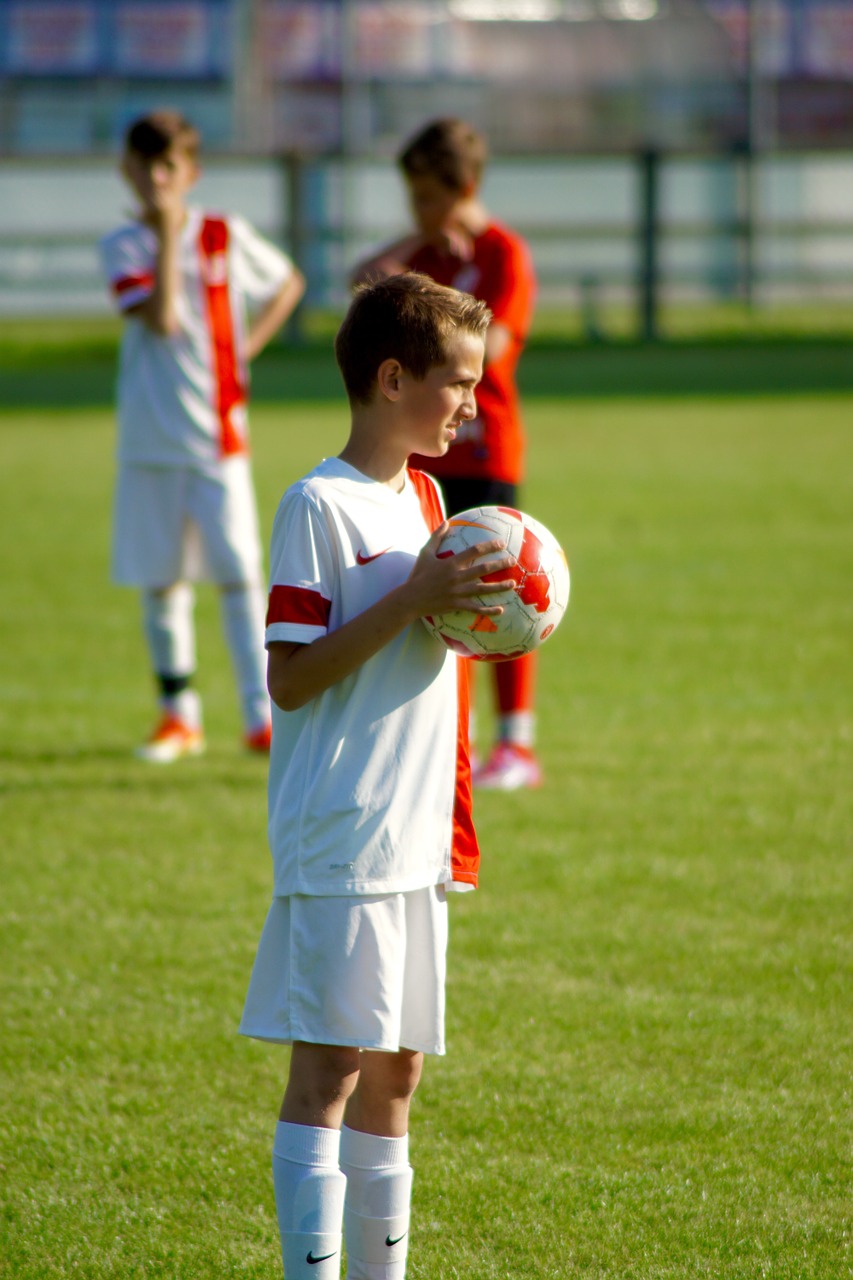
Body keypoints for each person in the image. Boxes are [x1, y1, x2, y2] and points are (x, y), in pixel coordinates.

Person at [239, 273, 513, 1279]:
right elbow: (294, 678)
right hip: (344, 833)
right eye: (457, 383)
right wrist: (410, 600)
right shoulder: (318, 505)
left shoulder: (431, 497)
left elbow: (429, 638)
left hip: (417, 835)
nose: (471, 404)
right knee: (330, 1071)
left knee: (397, 1073)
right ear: (392, 378)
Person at [99, 110, 305, 761]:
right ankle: (178, 714)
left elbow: (288, 282)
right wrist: (164, 237)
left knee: (240, 573)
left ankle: (259, 715)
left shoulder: (223, 232)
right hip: (150, 439)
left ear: (191, 172)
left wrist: (245, 346)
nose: (157, 182)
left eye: (169, 169)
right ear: (126, 171)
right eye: (145, 168)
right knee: (162, 579)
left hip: (218, 435)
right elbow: (160, 320)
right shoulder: (124, 243)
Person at [350, 118, 540, 790]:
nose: (420, 212)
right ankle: (440, 738)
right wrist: (415, 242)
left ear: (464, 188)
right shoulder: (421, 257)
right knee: (430, 599)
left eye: (429, 198)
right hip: (426, 457)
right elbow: (361, 285)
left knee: (507, 590)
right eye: (412, 201)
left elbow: (490, 350)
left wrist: (450, 292)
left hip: (486, 450)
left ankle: (516, 742)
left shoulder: (502, 254)